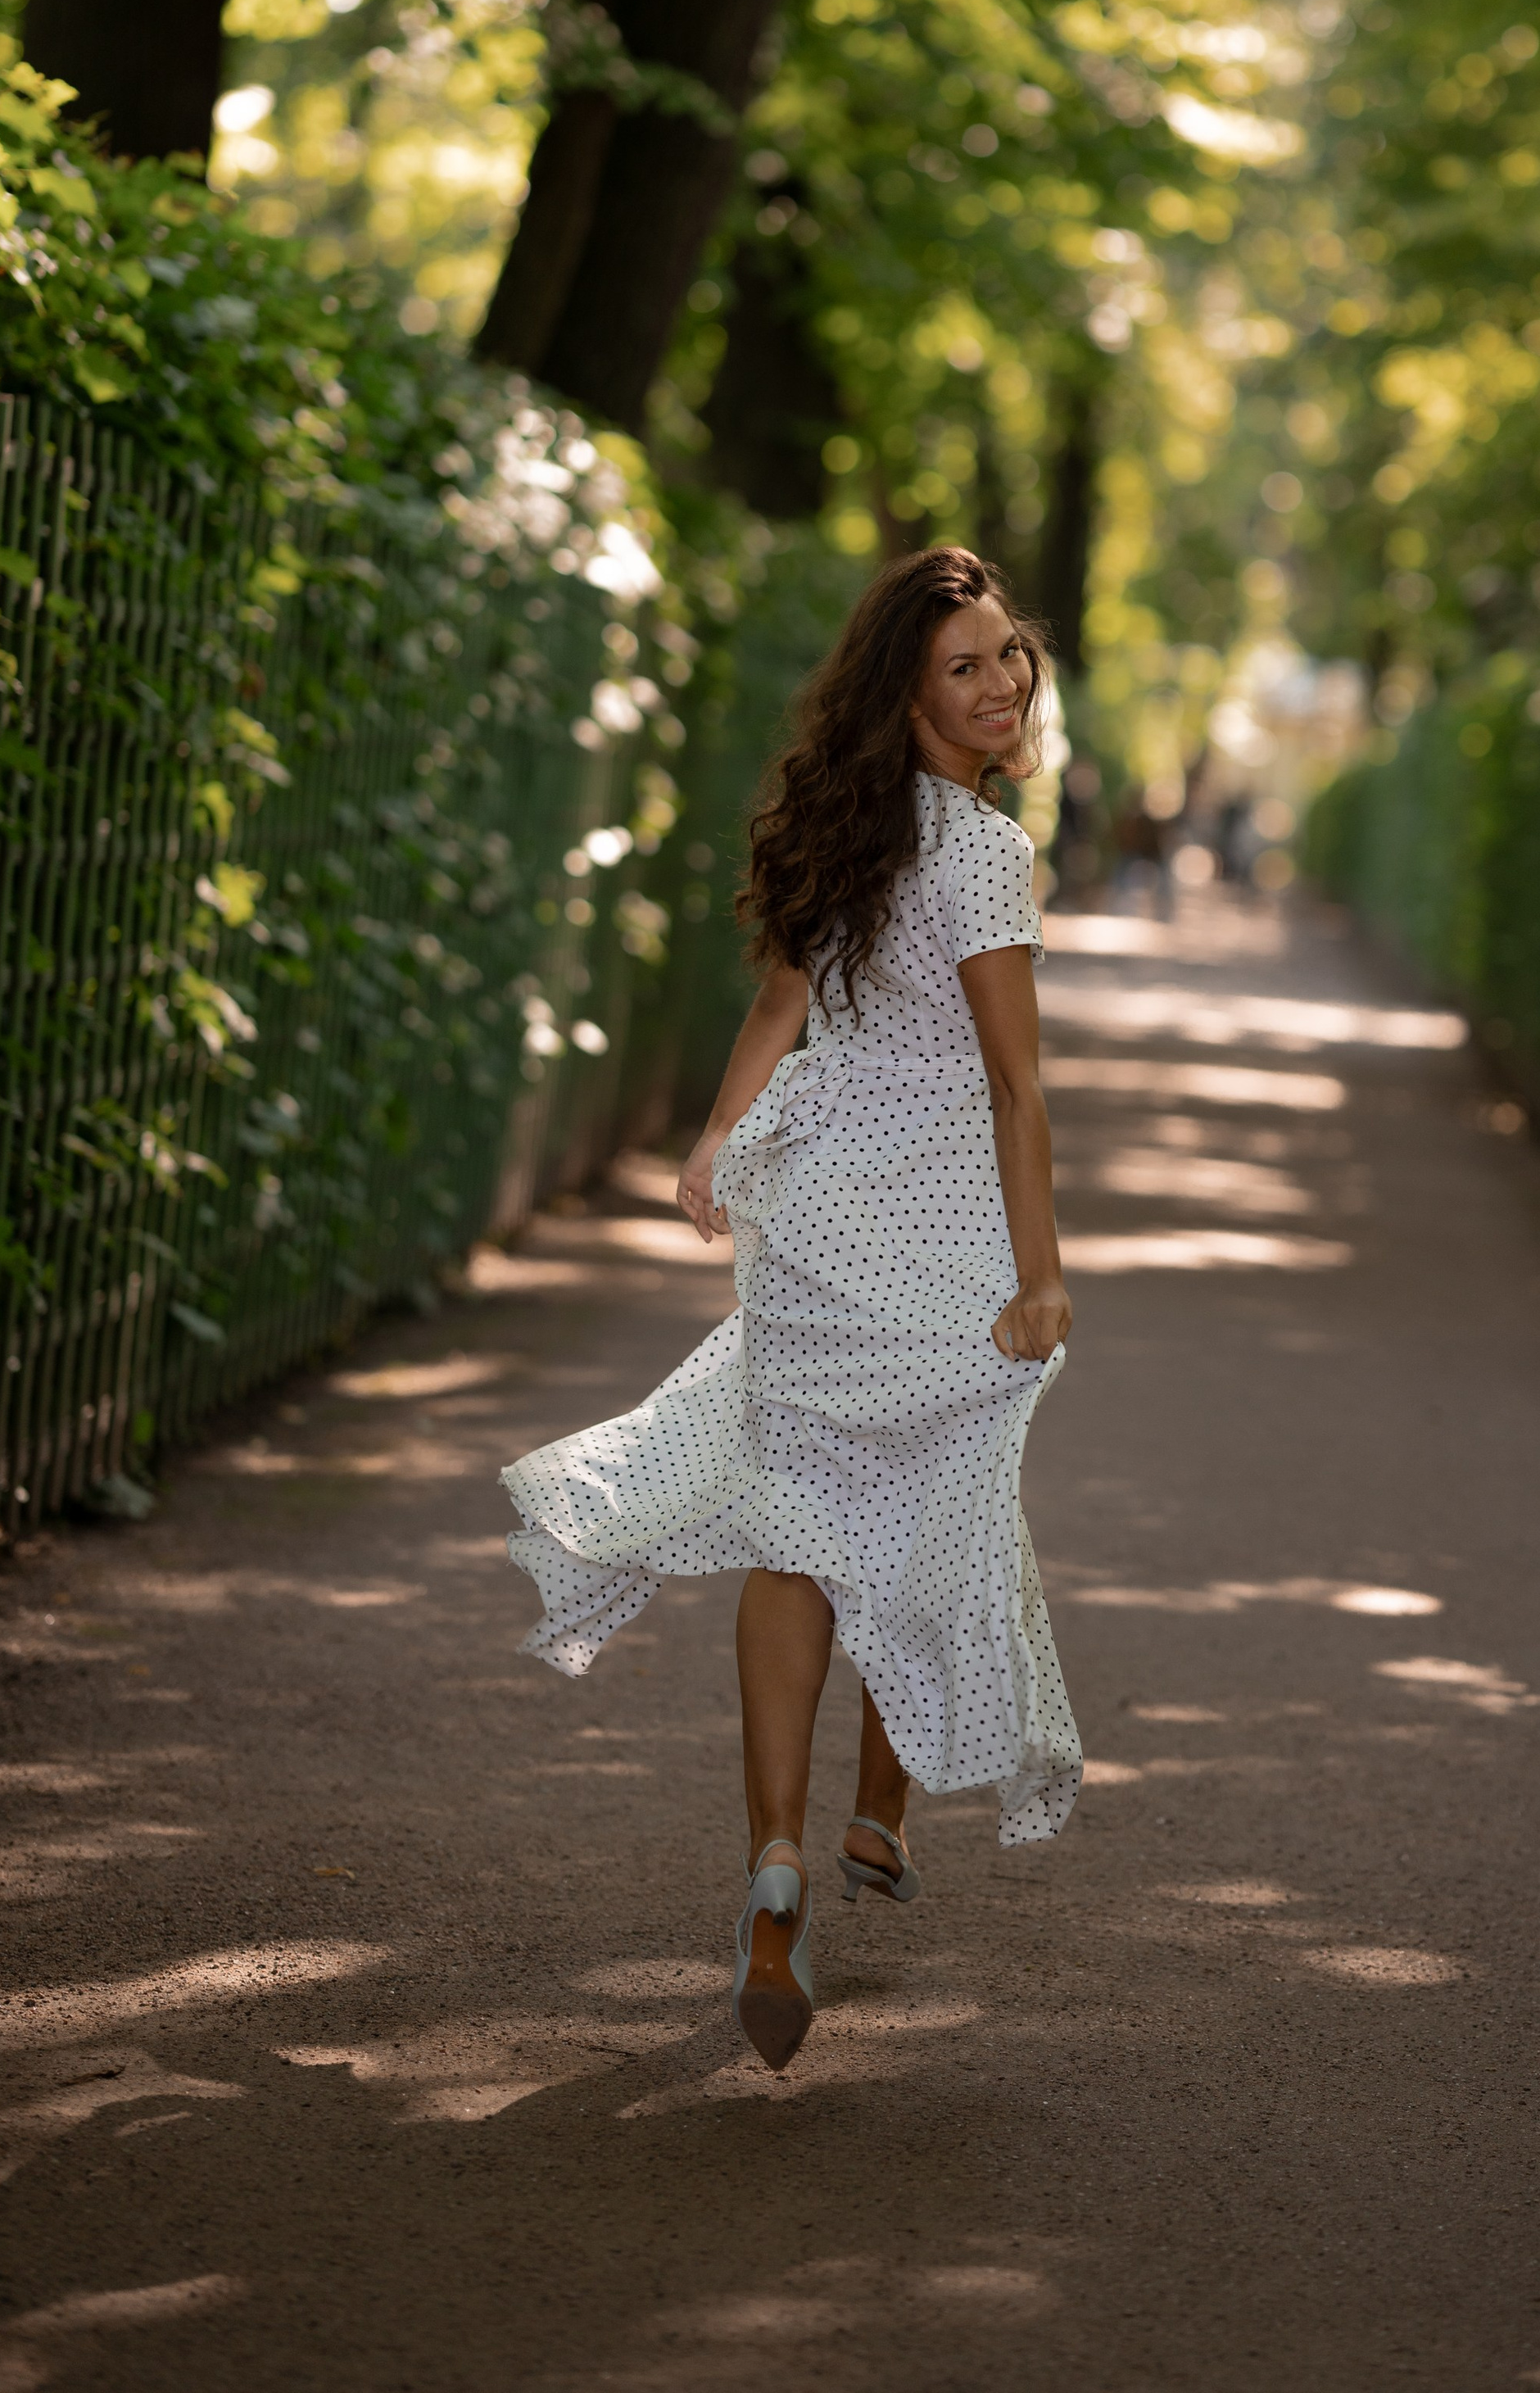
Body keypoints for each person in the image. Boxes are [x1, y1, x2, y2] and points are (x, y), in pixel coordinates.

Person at [500, 547, 1082, 2072]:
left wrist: (712, 1142)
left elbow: (778, 1002)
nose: (1002, 685)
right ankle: (877, 1808)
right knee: (941, 1501)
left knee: (800, 1527)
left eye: (1010, 655)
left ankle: (781, 1867)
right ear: (908, 694)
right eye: (965, 667)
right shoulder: (976, 851)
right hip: (943, 1233)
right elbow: (1018, 1086)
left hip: (820, 1222)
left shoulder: (850, 824)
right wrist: (1040, 1274)